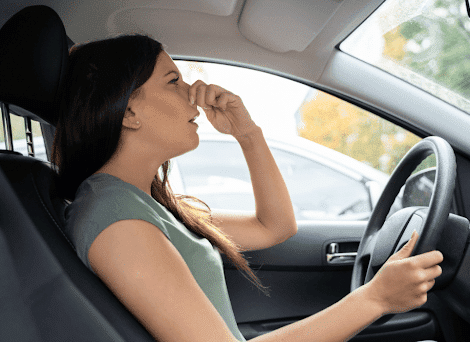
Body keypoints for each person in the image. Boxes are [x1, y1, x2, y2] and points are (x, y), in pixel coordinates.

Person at [52, 34, 444, 342]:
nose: (193, 92)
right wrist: (374, 298)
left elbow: (273, 227)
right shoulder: (115, 220)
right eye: (173, 81)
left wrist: (247, 133)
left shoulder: (140, 203)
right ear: (130, 112)